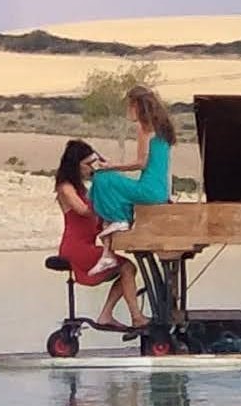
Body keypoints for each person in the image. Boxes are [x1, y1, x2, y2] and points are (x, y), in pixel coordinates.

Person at [55, 139, 148, 331]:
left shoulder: (83, 188)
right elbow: (83, 210)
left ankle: (108, 314)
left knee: (127, 268)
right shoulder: (65, 187)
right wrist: (105, 199)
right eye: (87, 164)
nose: (91, 168)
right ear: (75, 165)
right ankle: (135, 317)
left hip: (87, 244)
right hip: (76, 248)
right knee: (127, 268)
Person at [88, 85, 177, 275]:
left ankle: (119, 219)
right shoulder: (164, 130)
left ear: (137, 105)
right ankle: (110, 245)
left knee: (102, 178)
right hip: (160, 191)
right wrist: (168, 195)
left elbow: (141, 163)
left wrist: (111, 166)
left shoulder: (144, 129)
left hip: (148, 190)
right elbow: (164, 168)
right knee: (111, 182)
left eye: (130, 106)